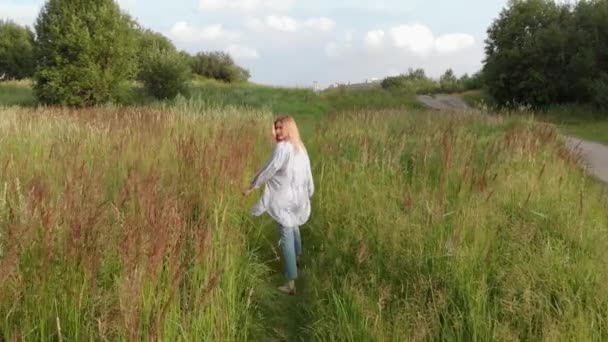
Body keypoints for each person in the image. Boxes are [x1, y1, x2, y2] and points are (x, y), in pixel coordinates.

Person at [243, 115, 314, 295]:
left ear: (289, 128)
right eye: (276, 128)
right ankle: (298, 259)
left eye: (280, 128)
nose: (276, 132)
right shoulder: (299, 146)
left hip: (285, 199)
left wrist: (253, 185)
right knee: (294, 226)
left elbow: (269, 169)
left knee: (286, 234)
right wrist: (309, 191)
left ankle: (291, 283)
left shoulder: (283, 148)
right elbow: (308, 173)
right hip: (298, 198)